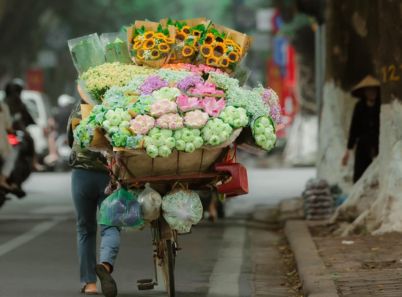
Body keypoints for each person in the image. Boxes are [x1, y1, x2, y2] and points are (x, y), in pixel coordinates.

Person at [68, 102, 120, 297]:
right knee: (111, 225)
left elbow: (70, 138)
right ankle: (105, 266)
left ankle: (89, 284)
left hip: (81, 175)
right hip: (108, 175)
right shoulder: (118, 107)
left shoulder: (78, 110)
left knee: (85, 229)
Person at [342, 75, 380, 183]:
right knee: (360, 174)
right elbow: (354, 129)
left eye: (373, 90)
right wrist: (348, 151)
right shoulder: (359, 107)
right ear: (364, 92)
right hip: (363, 146)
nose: (371, 93)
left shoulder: (381, 106)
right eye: (369, 90)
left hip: (378, 144)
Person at [0, 99, 18, 190]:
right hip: (2, 142)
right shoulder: (3, 107)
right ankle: (2, 180)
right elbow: (9, 128)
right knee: (12, 155)